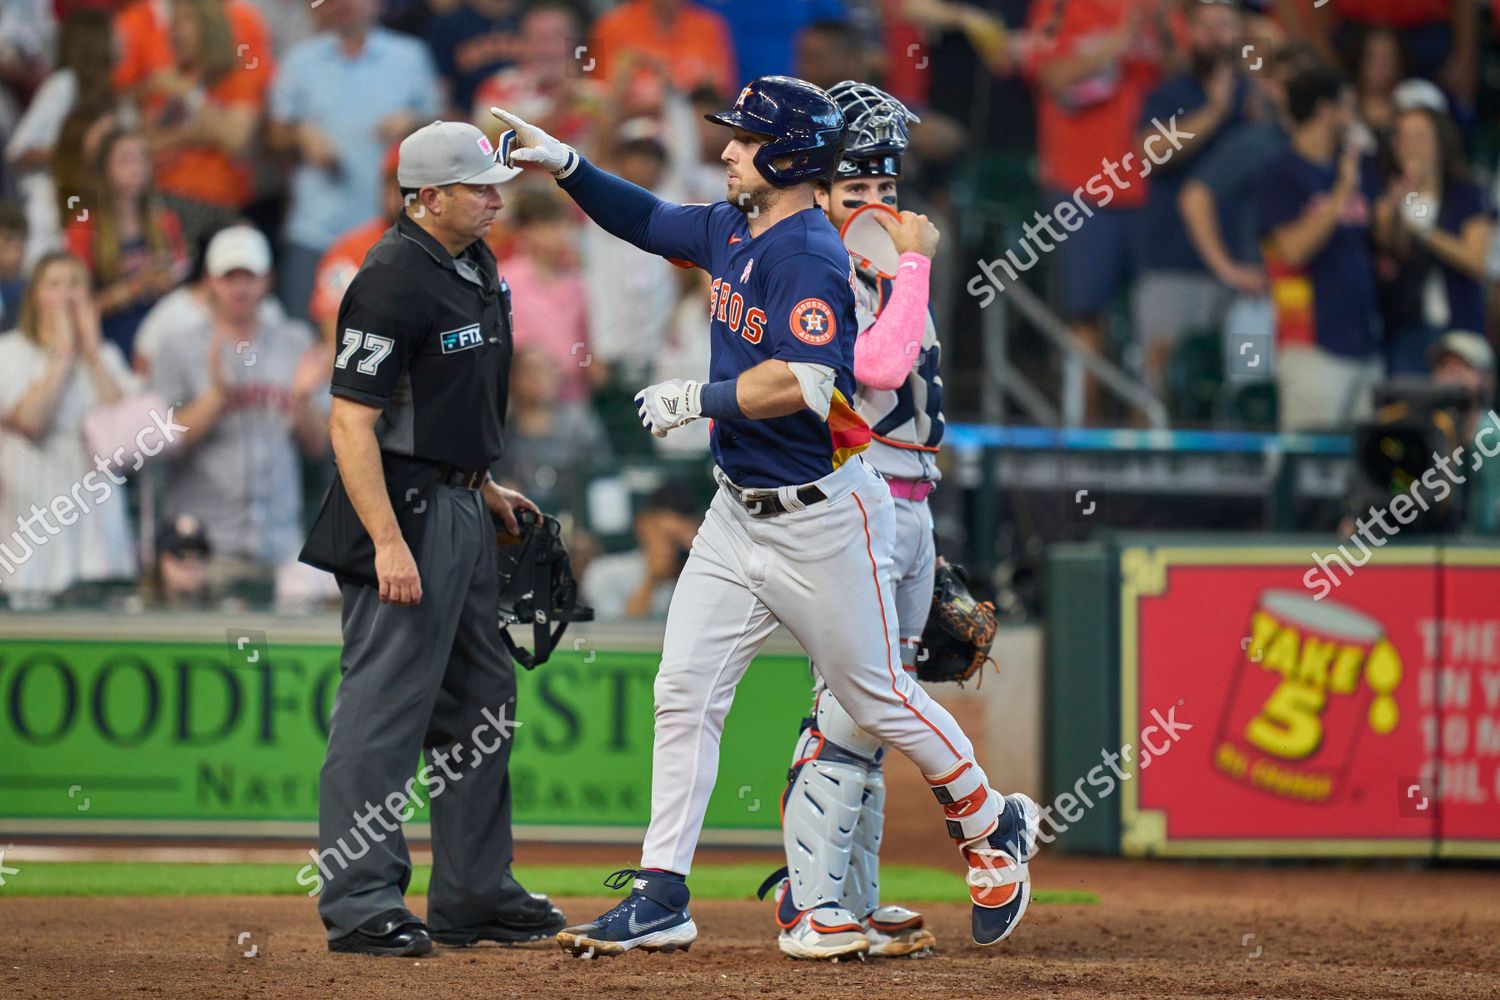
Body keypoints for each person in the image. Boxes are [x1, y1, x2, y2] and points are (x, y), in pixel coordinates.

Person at [494, 74, 1039, 958]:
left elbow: (808, 381)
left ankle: (990, 816)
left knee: (871, 694)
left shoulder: (810, 255)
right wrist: (565, 164)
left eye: (744, 141)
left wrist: (694, 398)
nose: (726, 150)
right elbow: (644, 219)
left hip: (823, 514)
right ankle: (663, 893)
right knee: (684, 691)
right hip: (736, 513)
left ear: (786, 157)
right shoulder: (732, 225)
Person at [297, 120, 563, 957]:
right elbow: (350, 423)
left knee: (481, 704)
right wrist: (385, 539)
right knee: (383, 713)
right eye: (479, 186)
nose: (496, 196)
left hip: (457, 502)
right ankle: (360, 899)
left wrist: (482, 485)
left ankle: (475, 893)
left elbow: (443, 400)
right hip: (400, 509)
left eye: (495, 183)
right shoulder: (389, 279)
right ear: (426, 198)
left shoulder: (474, 263)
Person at [765, 80, 946, 961]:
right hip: (858, 495)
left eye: (886, 188)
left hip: (914, 498)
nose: (876, 205)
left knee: (874, 711)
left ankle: (855, 900)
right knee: (847, 706)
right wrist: (912, 265)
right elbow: (876, 370)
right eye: (854, 190)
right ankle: (808, 902)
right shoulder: (833, 267)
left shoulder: (882, 259)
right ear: (821, 193)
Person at [1021, 0, 1183, 422]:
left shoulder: (1162, 9)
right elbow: (1050, 75)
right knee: (1087, 312)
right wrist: (1118, 42)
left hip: (1154, 185)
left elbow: (1185, 72)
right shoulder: (1058, 7)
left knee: (1157, 313)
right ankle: (1083, 427)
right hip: (1083, 181)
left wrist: (1163, 32)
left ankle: (1146, 431)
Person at [150, 226, 323, 592]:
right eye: (230, 277)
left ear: (268, 280)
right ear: (211, 281)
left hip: (280, 544)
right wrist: (216, 396)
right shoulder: (178, 345)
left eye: (250, 276)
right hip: (202, 547)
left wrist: (303, 401)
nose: (239, 288)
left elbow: (317, 445)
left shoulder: (294, 341)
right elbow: (160, 443)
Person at [267, 0, 440, 320]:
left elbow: (441, 128)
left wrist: (413, 122)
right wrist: (301, 135)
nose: (344, 3)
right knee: (306, 335)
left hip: (390, 230)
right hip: (316, 228)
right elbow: (274, 135)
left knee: (393, 333)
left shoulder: (410, 56)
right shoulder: (299, 60)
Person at [0, 252, 137, 606]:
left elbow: (128, 441)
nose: (66, 295)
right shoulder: (9, 353)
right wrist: (63, 354)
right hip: (31, 520)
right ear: (35, 296)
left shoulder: (105, 357)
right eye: (54, 284)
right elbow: (31, 422)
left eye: (75, 284)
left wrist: (90, 353)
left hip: (98, 520)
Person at [1256, 67, 1384, 432]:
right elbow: (1292, 251)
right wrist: (1342, 193)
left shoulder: (1354, 169)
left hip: (1365, 342)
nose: (1355, 119)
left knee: (1367, 476)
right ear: (1326, 110)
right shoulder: (1281, 173)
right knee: (1309, 470)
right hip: (1311, 343)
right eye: (1348, 108)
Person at [1133, 0, 1247, 396]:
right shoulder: (1169, 95)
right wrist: (1215, 111)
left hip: (1247, 271)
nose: (1217, 38)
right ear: (1190, 33)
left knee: (1243, 388)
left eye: (1226, 26)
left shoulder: (1259, 100)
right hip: (1173, 265)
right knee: (1159, 387)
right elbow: (1150, 153)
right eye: (1207, 27)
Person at [1372, 106, 1493, 374]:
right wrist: (1395, 211)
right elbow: (1392, 249)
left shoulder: (1467, 194)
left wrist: (1425, 231)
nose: (1410, 145)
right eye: (1403, 137)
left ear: (1440, 142)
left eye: (1420, 135)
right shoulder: (1389, 195)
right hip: (1408, 331)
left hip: (1460, 331)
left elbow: (1475, 260)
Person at [64, 126, 190, 361]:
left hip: (161, 335)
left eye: (142, 157)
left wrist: (168, 281)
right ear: (104, 169)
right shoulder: (84, 226)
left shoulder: (166, 220)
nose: (137, 167)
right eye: (125, 159)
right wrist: (135, 288)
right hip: (111, 339)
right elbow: (77, 306)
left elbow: (181, 283)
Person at [491, 345, 610, 516]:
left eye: (545, 369)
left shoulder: (580, 425)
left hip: (575, 520)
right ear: (512, 380)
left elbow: (600, 477)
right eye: (529, 371)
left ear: (557, 375)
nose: (538, 378)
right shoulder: (500, 434)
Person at [498, 188, 591, 404]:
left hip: (573, 395)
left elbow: (584, 338)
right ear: (525, 231)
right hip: (524, 400)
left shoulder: (576, 282)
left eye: (564, 224)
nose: (560, 233)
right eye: (550, 225)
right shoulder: (505, 279)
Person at [579, 483, 701, 619]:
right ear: (644, 525)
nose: (673, 549)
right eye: (667, 537)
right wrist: (652, 581)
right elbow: (618, 635)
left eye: (679, 540)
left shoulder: (702, 577)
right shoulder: (604, 574)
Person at [589, 0, 737, 113]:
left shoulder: (709, 26)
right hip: (626, 124)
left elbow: (722, 91)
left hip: (691, 125)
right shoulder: (609, 25)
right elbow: (594, 95)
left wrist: (673, 85)